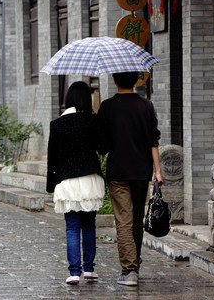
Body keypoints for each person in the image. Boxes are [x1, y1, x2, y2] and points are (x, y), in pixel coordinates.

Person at [97, 71, 163, 286]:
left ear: (115, 80)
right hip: (141, 172)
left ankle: (129, 271)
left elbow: (103, 146)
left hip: (118, 172)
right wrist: (158, 172)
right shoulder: (147, 106)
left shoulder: (107, 107)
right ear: (136, 80)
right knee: (136, 220)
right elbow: (154, 140)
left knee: (123, 221)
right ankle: (135, 266)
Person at [46, 81, 106, 285]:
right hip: (90, 179)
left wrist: (50, 185)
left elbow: (51, 158)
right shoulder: (92, 120)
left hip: (66, 181)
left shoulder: (57, 124)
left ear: (68, 99)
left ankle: (74, 272)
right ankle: (89, 269)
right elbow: (103, 148)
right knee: (89, 225)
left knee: (72, 226)